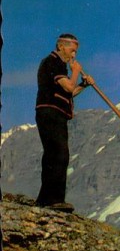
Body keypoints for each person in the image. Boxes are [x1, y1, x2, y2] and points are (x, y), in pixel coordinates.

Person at [35, 33, 95, 213]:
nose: (74, 55)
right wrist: (76, 70)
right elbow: (69, 86)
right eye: (72, 50)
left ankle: (45, 199)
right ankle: (54, 200)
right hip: (50, 112)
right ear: (61, 46)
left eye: (75, 52)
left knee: (53, 155)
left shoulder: (59, 66)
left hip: (56, 113)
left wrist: (84, 85)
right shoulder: (52, 62)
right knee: (60, 154)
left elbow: (69, 92)